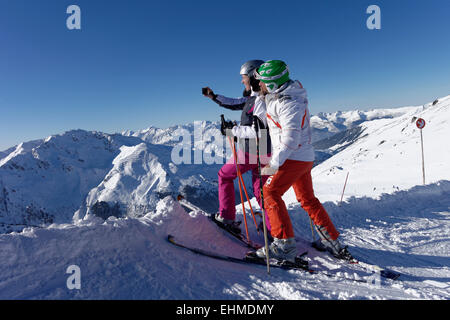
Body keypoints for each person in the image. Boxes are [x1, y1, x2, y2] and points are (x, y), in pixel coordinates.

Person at [253, 60, 352, 262]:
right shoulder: (280, 96)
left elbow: (290, 138)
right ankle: (330, 241)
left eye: (262, 82)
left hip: (293, 157)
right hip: (302, 158)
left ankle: (284, 246)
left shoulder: (288, 102)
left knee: (270, 193)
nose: (259, 85)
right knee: (307, 199)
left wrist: (273, 164)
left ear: (272, 83)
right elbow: (263, 115)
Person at [202, 60, 272, 233]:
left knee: (224, 176)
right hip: (267, 151)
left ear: (253, 76)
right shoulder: (259, 97)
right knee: (261, 190)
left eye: (243, 77)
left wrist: (232, 130)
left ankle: (226, 217)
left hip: (251, 151)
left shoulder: (259, 101)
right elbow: (234, 102)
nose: (242, 81)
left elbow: (257, 131)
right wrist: (214, 97)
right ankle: (273, 227)